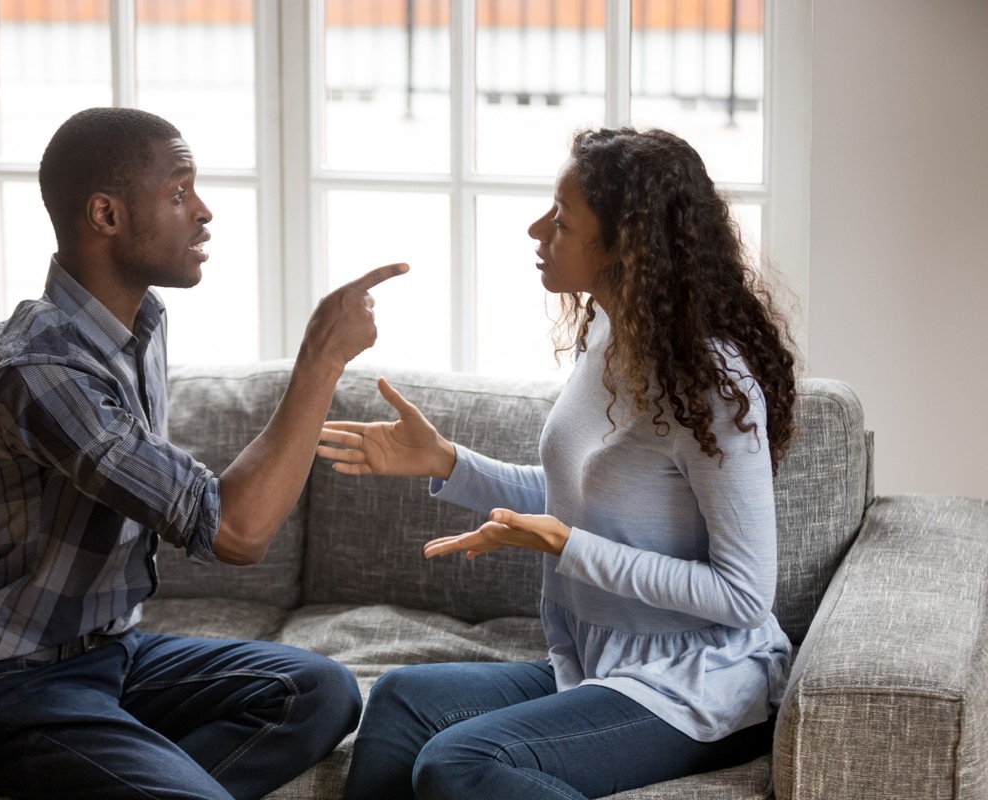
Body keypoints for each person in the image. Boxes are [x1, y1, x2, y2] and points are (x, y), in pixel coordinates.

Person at [0, 106, 407, 800]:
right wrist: (321, 358)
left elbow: (201, 504)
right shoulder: (43, 371)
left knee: (320, 692)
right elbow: (237, 532)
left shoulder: (139, 326)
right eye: (179, 192)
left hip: (115, 654)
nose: (203, 211)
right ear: (106, 215)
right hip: (13, 680)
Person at [318, 127, 797, 800]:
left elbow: (744, 596)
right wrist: (449, 463)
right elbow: (582, 498)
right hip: (603, 663)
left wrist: (568, 546)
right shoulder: (608, 336)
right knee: (400, 699)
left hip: (701, 683)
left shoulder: (712, 386)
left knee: (457, 764)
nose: (537, 227)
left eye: (563, 219)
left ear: (624, 245)